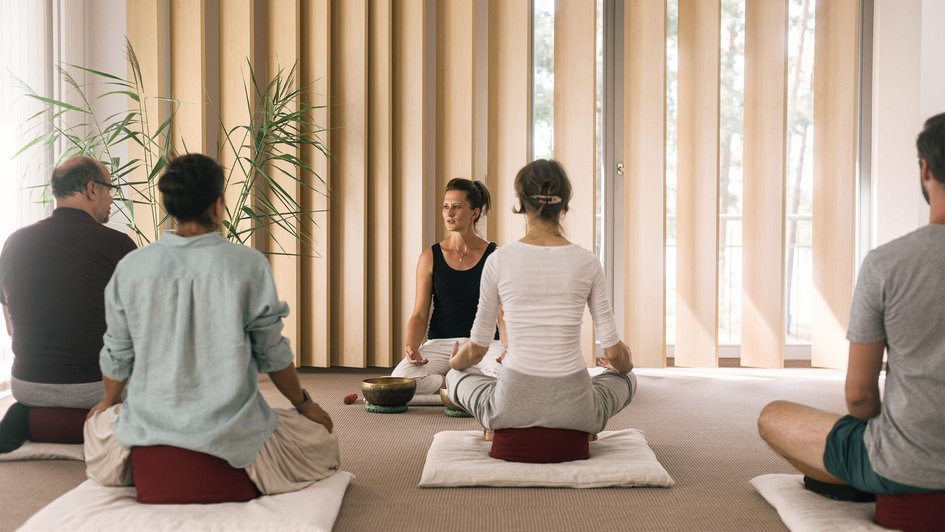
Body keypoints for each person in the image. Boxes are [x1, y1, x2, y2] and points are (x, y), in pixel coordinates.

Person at [83, 153, 339, 495]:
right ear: (218, 206)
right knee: (320, 438)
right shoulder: (247, 264)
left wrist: (108, 403)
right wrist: (304, 404)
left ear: (170, 207)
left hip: (149, 440)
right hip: (234, 443)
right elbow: (272, 353)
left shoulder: (131, 266)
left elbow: (117, 355)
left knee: (99, 425)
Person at [757, 113, 945, 498]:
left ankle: (859, 478)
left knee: (773, 415)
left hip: (906, 468)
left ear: (925, 168)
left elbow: (859, 396)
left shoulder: (887, 263)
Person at [446, 159, 635, 439]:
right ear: (565, 203)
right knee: (626, 378)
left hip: (509, 407)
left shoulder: (498, 260)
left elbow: (475, 350)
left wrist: (453, 363)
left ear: (521, 202)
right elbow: (615, 354)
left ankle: (496, 424)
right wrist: (624, 361)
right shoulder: (587, 262)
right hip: (577, 410)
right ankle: (582, 426)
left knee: (456, 376)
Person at [0, 156, 136, 452]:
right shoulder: (118, 244)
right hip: (95, 388)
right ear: (92, 189)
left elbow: (10, 327)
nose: (111, 198)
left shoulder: (13, 242)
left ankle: (26, 417)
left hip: (25, 384)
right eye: (110, 188)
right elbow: (139, 327)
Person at [390, 178, 505, 398]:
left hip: (486, 344)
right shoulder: (429, 257)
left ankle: (460, 381)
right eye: (445, 206)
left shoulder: (495, 256)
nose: (449, 213)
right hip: (441, 343)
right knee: (400, 381)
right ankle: (453, 382)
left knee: (508, 379)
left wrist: (509, 349)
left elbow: (502, 314)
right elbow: (419, 313)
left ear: (474, 213)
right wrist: (411, 346)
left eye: (457, 207)